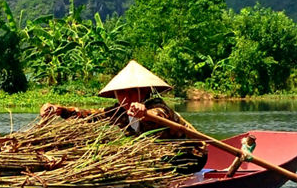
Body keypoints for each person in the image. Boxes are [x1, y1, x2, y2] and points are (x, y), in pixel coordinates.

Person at [40, 60, 206, 174]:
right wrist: (59, 110)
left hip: (190, 156)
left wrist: (144, 114)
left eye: (133, 91)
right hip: (158, 157)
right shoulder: (118, 112)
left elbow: (158, 114)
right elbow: (88, 115)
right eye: (122, 92)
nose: (127, 96)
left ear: (145, 91)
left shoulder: (157, 106)